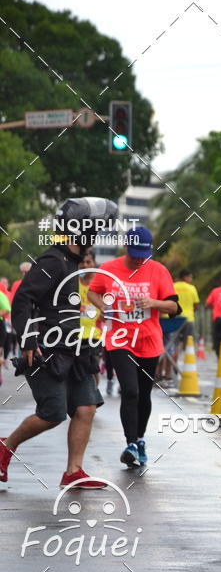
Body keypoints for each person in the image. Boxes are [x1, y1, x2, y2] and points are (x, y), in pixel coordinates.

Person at [0, 197, 116, 487]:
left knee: (86, 407)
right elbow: (23, 300)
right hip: (46, 350)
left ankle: (73, 472)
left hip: (73, 348)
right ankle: (5, 447)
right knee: (51, 414)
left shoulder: (72, 261)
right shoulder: (53, 260)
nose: (96, 236)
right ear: (82, 232)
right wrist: (28, 341)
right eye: (95, 230)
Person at [87, 226, 179, 468]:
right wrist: (104, 307)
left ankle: (139, 440)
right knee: (130, 391)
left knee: (144, 394)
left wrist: (153, 302)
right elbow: (92, 293)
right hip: (119, 339)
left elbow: (174, 307)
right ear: (125, 247)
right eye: (135, 253)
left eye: (143, 254)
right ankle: (129, 444)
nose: (139, 259)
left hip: (149, 341)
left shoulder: (158, 270)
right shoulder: (108, 269)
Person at [78, 250, 102, 386]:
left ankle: (93, 398)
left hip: (95, 334)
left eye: (88, 262)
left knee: (92, 370)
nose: (85, 265)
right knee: (78, 371)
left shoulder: (101, 283)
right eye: (82, 262)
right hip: (74, 334)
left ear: (94, 263)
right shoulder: (72, 282)